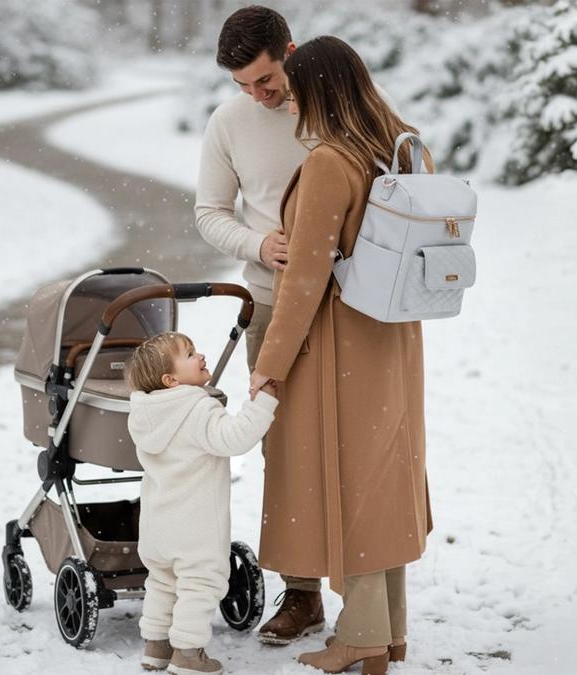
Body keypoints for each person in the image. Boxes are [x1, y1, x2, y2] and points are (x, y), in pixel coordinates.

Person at [246, 36, 432, 675]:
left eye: (296, 94)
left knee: (348, 484)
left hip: (337, 344)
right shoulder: (401, 145)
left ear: (320, 92)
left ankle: (361, 637)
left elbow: (304, 279)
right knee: (383, 479)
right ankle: (389, 632)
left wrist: (270, 365)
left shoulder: (331, 161)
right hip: (393, 338)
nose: (291, 107)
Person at [195, 4, 331, 646]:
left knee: (355, 442)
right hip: (274, 305)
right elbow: (210, 212)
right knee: (285, 447)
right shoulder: (229, 121)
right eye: (243, 85)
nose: (257, 95)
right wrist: (258, 244)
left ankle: (370, 593)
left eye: (266, 80)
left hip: (351, 305)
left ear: (291, 52)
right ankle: (302, 594)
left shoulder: (340, 101)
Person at [125, 332, 278, 675]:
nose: (201, 356)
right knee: (201, 583)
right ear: (171, 379)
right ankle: (188, 653)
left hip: (156, 523)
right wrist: (263, 402)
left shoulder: (145, 414)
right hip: (194, 525)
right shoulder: (195, 407)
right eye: (190, 354)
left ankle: (156, 647)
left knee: (163, 581)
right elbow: (234, 438)